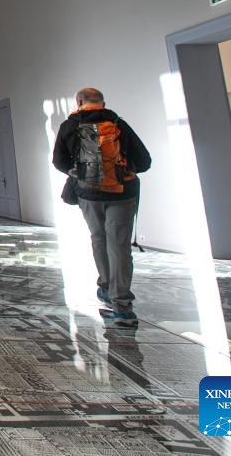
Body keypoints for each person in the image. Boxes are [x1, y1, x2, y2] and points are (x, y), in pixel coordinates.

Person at [53, 87, 152, 327]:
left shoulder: (69, 126)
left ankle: (106, 287)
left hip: (88, 193)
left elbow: (59, 160)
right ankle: (122, 306)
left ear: (79, 102)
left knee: (98, 238)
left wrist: (76, 172)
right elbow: (144, 161)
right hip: (122, 194)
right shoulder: (119, 124)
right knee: (119, 246)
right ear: (103, 103)